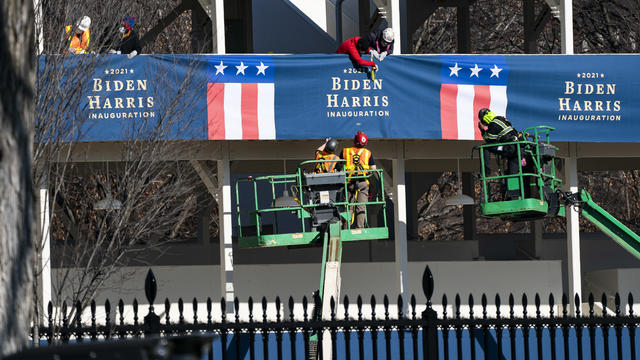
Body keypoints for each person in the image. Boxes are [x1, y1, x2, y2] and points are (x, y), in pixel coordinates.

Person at [341, 131, 376, 228]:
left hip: (349, 182)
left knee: (348, 206)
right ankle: (360, 226)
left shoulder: (345, 151)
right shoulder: (368, 153)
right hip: (363, 182)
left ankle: (345, 226)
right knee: (361, 206)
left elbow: (339, 166)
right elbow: (373, 169)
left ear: (354, 140)